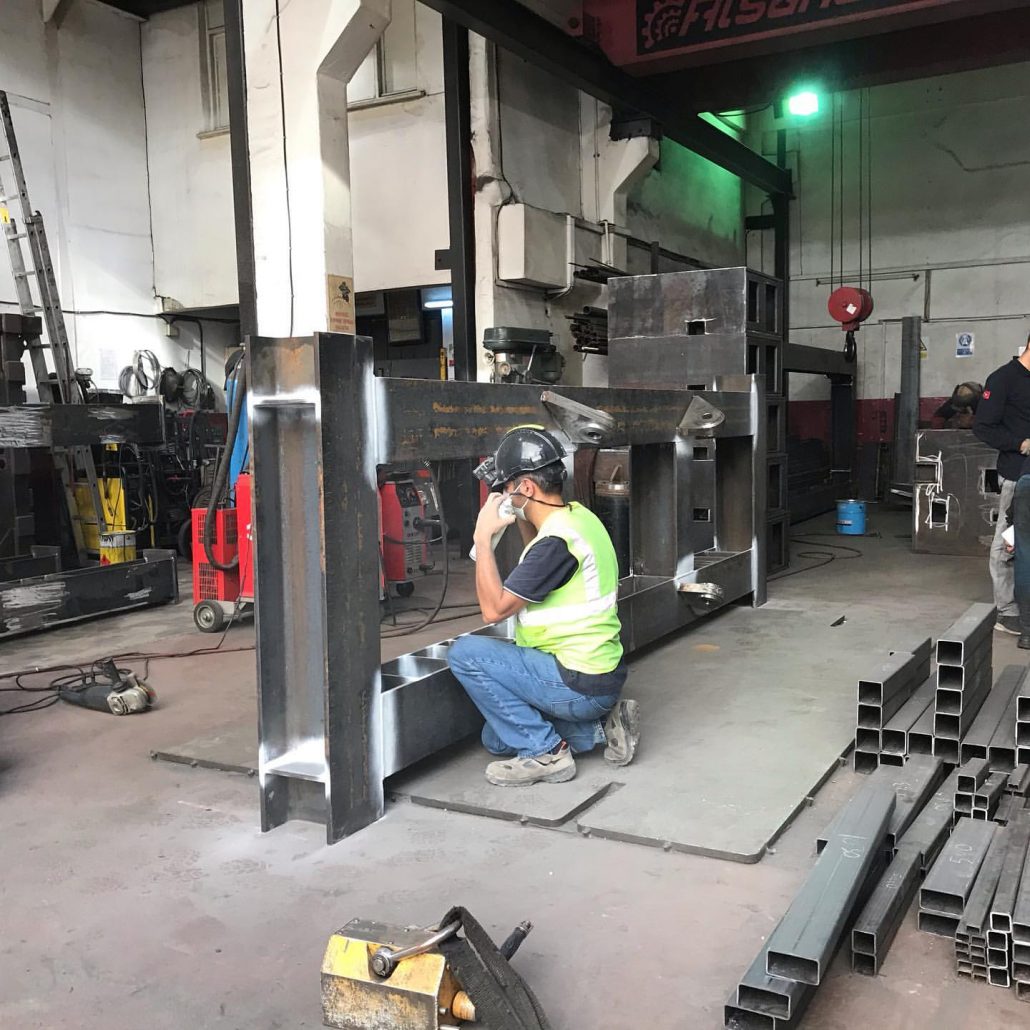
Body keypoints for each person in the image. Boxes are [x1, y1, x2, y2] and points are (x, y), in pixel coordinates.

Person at [448, 426, 639, 786]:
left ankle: (546, 753)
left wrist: (482, 538)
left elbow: (493, 610)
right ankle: (604, 727)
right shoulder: (578, 518)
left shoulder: (556, 545)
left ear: (526, 488)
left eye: (507, 488)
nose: (505, 495)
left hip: (576, 682)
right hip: (599, 675)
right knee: (495, 738)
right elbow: (536, 554)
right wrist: (517, 515)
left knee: (465, 654)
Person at [973, 334, 1030, 635]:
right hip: (1017, 477)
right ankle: (1006, 611)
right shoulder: (1003, 379)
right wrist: (1019, 443)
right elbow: (983, 427)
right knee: (1008, 541)